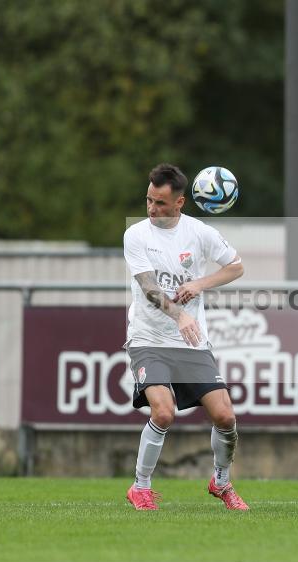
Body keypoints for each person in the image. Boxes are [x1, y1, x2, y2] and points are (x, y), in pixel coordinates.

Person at [123, 163, 248, 511]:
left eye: (160, 203)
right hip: (148, 339)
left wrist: (198, 284)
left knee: (225, 416)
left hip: (191, 341)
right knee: (164, 412)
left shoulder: (200, 233)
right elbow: (148, 287)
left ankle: (221, 483)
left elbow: (236, 266)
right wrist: (179, 315)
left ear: (180, 203)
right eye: (148, 200)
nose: (151, 209)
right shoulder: (136, 235)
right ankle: (141, 487)